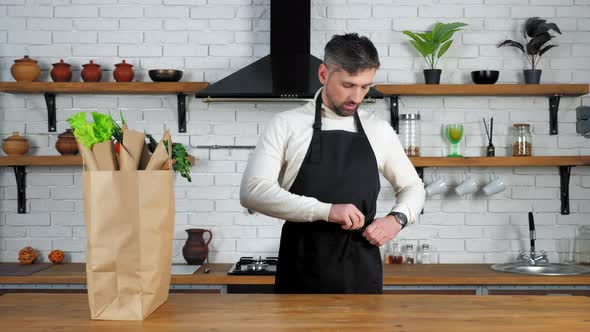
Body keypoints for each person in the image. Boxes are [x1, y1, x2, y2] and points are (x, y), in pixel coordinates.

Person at [240, 33, 425, 294]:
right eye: (348, 85)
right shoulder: (286, 124)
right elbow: (252, 192)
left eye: (365, 87)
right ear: (324, 74)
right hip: (301, 270)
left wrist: (397, 219)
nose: (357, 97)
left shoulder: (378, 129)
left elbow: (413, 187)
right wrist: (327, 211)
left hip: (361, 272)